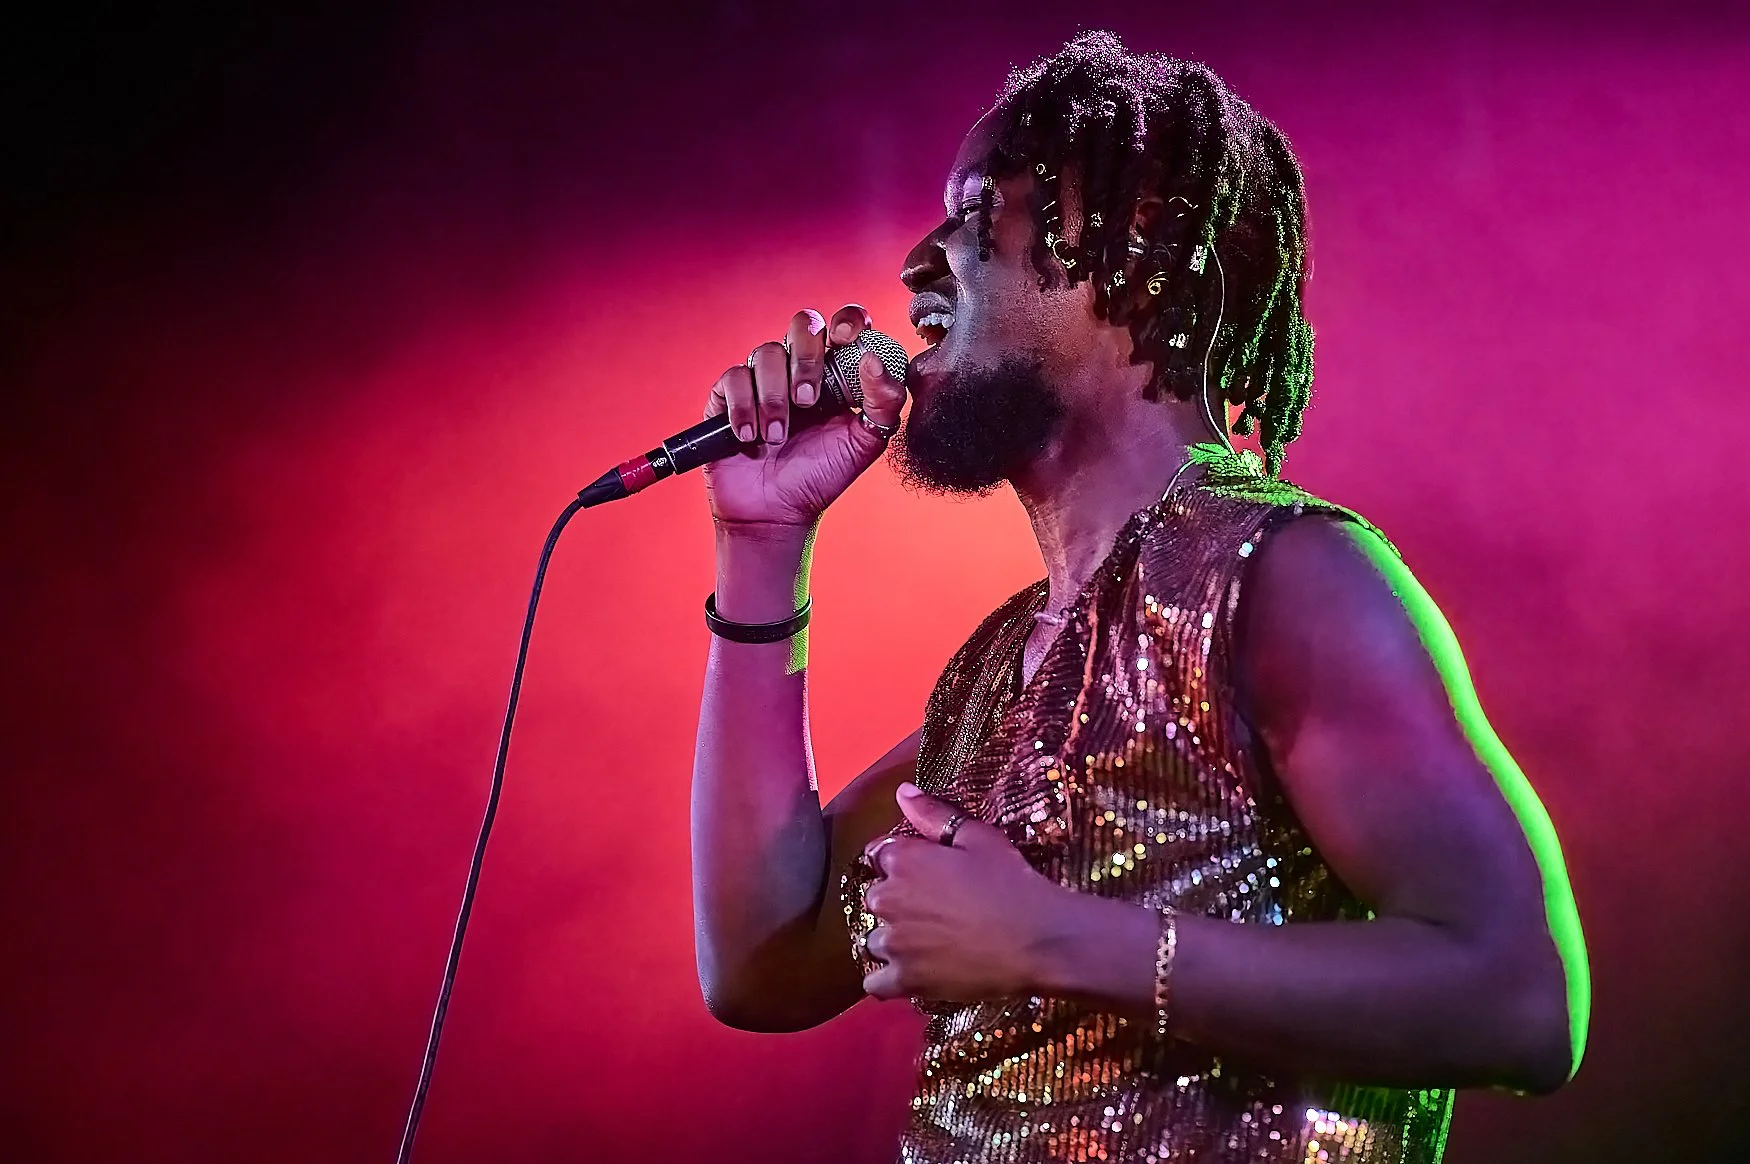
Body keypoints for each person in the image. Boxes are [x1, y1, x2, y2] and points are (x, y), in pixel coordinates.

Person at [689, 32, 1588, 1164]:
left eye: (978, 217)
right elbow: (762, 962)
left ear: (1143, 251)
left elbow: (1517, 993)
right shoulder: (997, 669)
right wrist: (761, 544)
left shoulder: (1289, 578)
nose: (919, 261)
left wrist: (1053, 938)